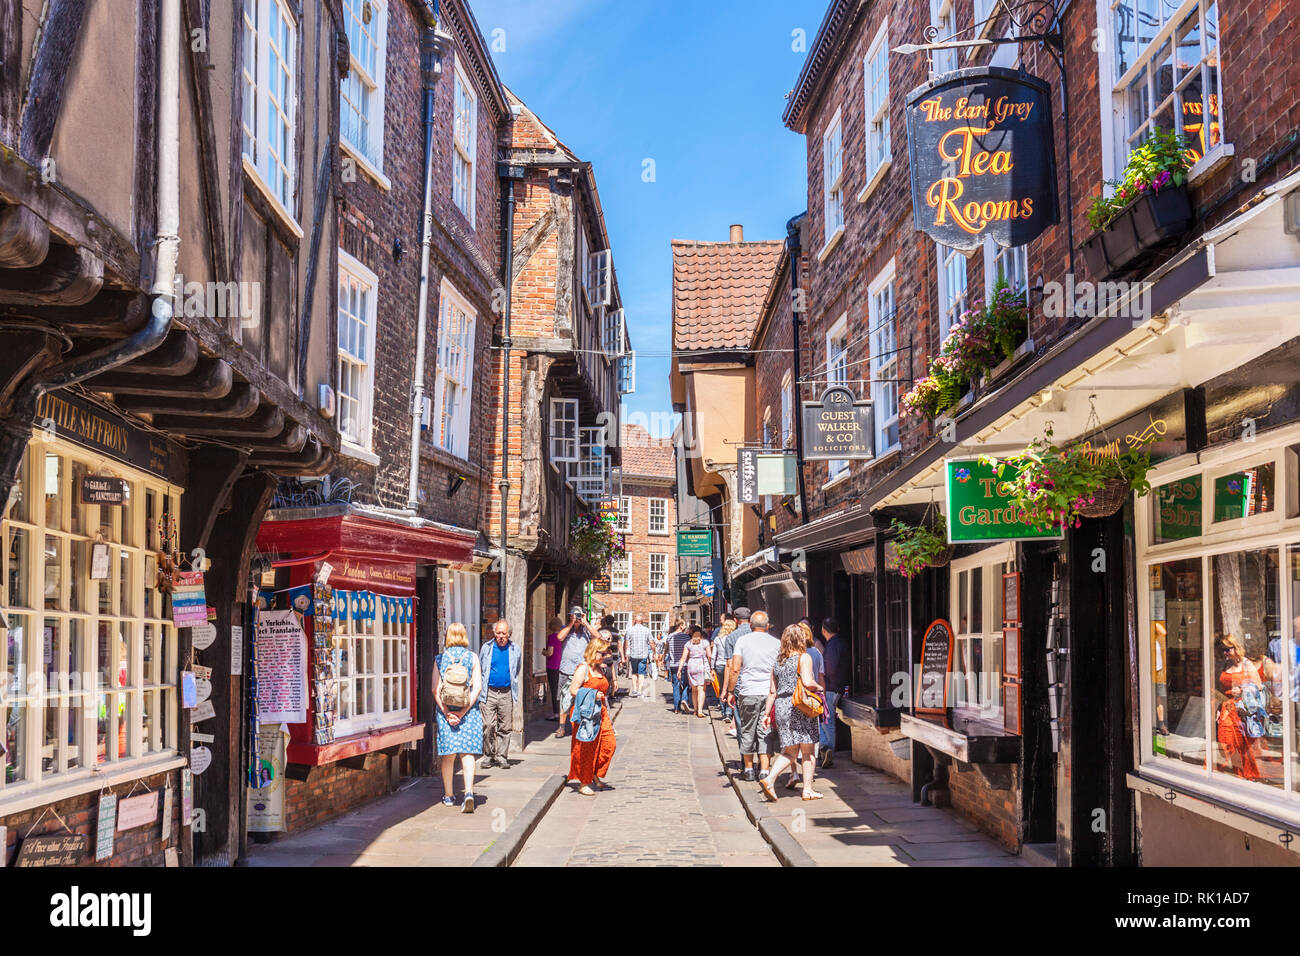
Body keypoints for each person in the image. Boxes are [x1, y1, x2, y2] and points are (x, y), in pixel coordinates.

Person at [758, 625, 825, 802]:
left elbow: (772, 691)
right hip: (799, 706)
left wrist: (766, 714)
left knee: (789, 750)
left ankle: (770, 778)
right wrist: (820, 689)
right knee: (808, 749)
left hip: (781, 706)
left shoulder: (778, 661)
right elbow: (808, 681)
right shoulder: (804, 657)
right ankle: (807, 790)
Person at [432, 623, 483, 812]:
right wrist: (462, 713)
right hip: (469, 712)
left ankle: (448, 795)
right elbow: (477, 688)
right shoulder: (472, 658)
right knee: (467, 753)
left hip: (446, 713)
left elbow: (434, 689)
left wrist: (447, 713)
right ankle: (469, 792)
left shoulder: (440, 659)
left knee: (449, 755)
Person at [725, 609, 779, 781]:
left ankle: (748, 769)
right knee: (766, 730)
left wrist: (731, 691)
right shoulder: (776, 643)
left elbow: (735, 668)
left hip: (748, 691)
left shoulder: (742, 641)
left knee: (747, 730)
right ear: (767, 625)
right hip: (769, 692)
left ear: (751, 624)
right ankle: (764, 770)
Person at [568, 637, 617, 796]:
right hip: (586, 714)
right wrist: (592, 694)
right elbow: (573, 690)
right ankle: (584, 782)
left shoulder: (600, 668)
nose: (604, 657)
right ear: (593, 651)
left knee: (609, 744)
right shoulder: (583, 668)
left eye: (606, 654)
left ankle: (594, 772)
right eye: (602, 653)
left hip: (601, 712)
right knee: (587, 749)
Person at [1216, 633, 1263, 781]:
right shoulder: (1225, 664)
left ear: (1235, 648)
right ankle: (1218, 772)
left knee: (1242, 744)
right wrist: (1218, 709)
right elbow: (1220, 689)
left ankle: (1246, 774)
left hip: (1242, 708)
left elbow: (1259, 687)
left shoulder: (1246, 664)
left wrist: (1243, 690)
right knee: (1226, 740)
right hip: (1227, 708)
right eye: (1222, 650)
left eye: (1227, 649)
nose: (1224, 653)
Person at [478, 619, 522, 769]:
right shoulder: (487, 648)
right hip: (489, 691)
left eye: (504, 633)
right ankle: (488, 755)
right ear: (494, 633)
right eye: (498, 633)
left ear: (509, 634)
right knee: (488, 725)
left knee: (505, 726)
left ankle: (502, 756)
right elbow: (480, 667)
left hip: (506, 692)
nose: (501, 636)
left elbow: (517, 670)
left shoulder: (515, 649)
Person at [556, 607, 598, 738]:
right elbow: (559, 637)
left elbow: (598, 637)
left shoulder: (586, 631)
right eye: (574, 615)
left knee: (581, 699)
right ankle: (561, 727)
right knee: (564, 699)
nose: (577, 618)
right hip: (566, 669)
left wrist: (586, 623)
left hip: (581, 671)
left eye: (579, 615)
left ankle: (580, 725)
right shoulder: (565, 628)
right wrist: (571, 623)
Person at [821, 618, 848, 769]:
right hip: (836, 687)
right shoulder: (840, 643)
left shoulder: (832, 645)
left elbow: (829, 668)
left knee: (827, 721)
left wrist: (822, 679)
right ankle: (825, 749)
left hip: (831, 687)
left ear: (824, 630)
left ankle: (828, 749)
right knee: (824, 721)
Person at [677, 625, 712, 718]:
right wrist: (711, 667)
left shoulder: (688, 644)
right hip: (701, 665)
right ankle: (700, 710)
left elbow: (684, 657)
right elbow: (709, 656)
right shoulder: (705, 643)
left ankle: (695, 710)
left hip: (691, 665)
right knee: (701, 688)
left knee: (694, 689)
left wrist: (679, 670)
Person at [712, 618, 738, 730]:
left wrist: (712, 667)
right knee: (729, 688)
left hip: (719, 666)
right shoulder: (733, 639)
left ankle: (723, 712)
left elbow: (714, 655)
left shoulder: (718, 639)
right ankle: (728, 712)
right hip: (730, 666)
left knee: (721, 688)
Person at [664, 620, 692, 714]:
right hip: (684, 664)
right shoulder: (686, 637)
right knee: (685, 685)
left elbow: (666, 649)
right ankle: (684, 699)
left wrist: (664, 658)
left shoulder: (670, 636)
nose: (685, 626)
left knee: (676, 685)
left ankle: (677, 708)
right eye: (684, 624)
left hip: (673, 664)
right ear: (680, 626)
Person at [624, 613, 654, 698]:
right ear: (642, 621)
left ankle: (634, 690)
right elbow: (651, 643)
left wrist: (624, 652)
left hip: (633, 654)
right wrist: (654, 651)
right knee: (641, 673)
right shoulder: (647, 630)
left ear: (635, 621)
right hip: (643, 654)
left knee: (634, 672)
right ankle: (640, 691)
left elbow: (626, 642)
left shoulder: (630, 630)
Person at [543, 615, 566, 721]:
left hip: (552, 666)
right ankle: (563, 712)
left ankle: (556, 714)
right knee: (562, 690)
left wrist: (544, 652)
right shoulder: (563, 637)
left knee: (554, 690)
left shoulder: (552, 637)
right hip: (562, 666)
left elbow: (550, 652)